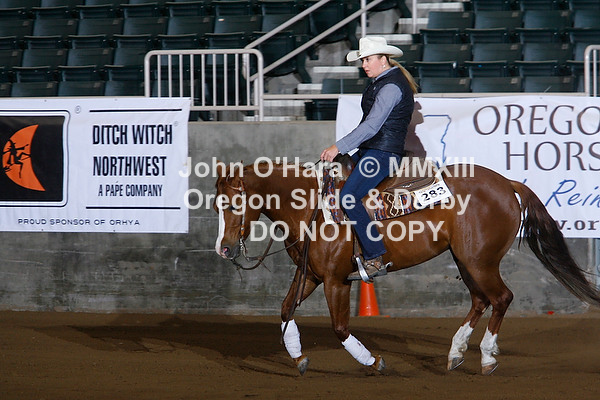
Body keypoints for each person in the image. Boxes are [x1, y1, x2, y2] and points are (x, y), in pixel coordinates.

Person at [320, 36, 418, 281]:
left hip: (383, 153)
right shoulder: (383, 82)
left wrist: (338, 147)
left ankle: (375, 256)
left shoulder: (391, 87)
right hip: (373, 150)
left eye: (368, 59)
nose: (364, 65)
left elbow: (372, 126)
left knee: (348, 197)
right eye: (362, 60)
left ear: (384, 59)